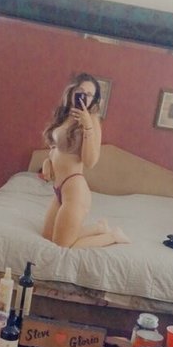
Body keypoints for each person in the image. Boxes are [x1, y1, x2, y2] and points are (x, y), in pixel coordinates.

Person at [41, 73, 130, 248]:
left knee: (62, 244)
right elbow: (56, 147)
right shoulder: (65, 115)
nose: (84, 97)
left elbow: (90, 161)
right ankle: (98, 228)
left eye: (89, 95)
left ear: (93, 99)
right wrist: (47, 162)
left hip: (75, 190)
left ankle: (113, 236)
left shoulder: (92, 120)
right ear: (72, 91)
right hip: (59, 188)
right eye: (81, 91)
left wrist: (87, 125)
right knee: (47, 236)